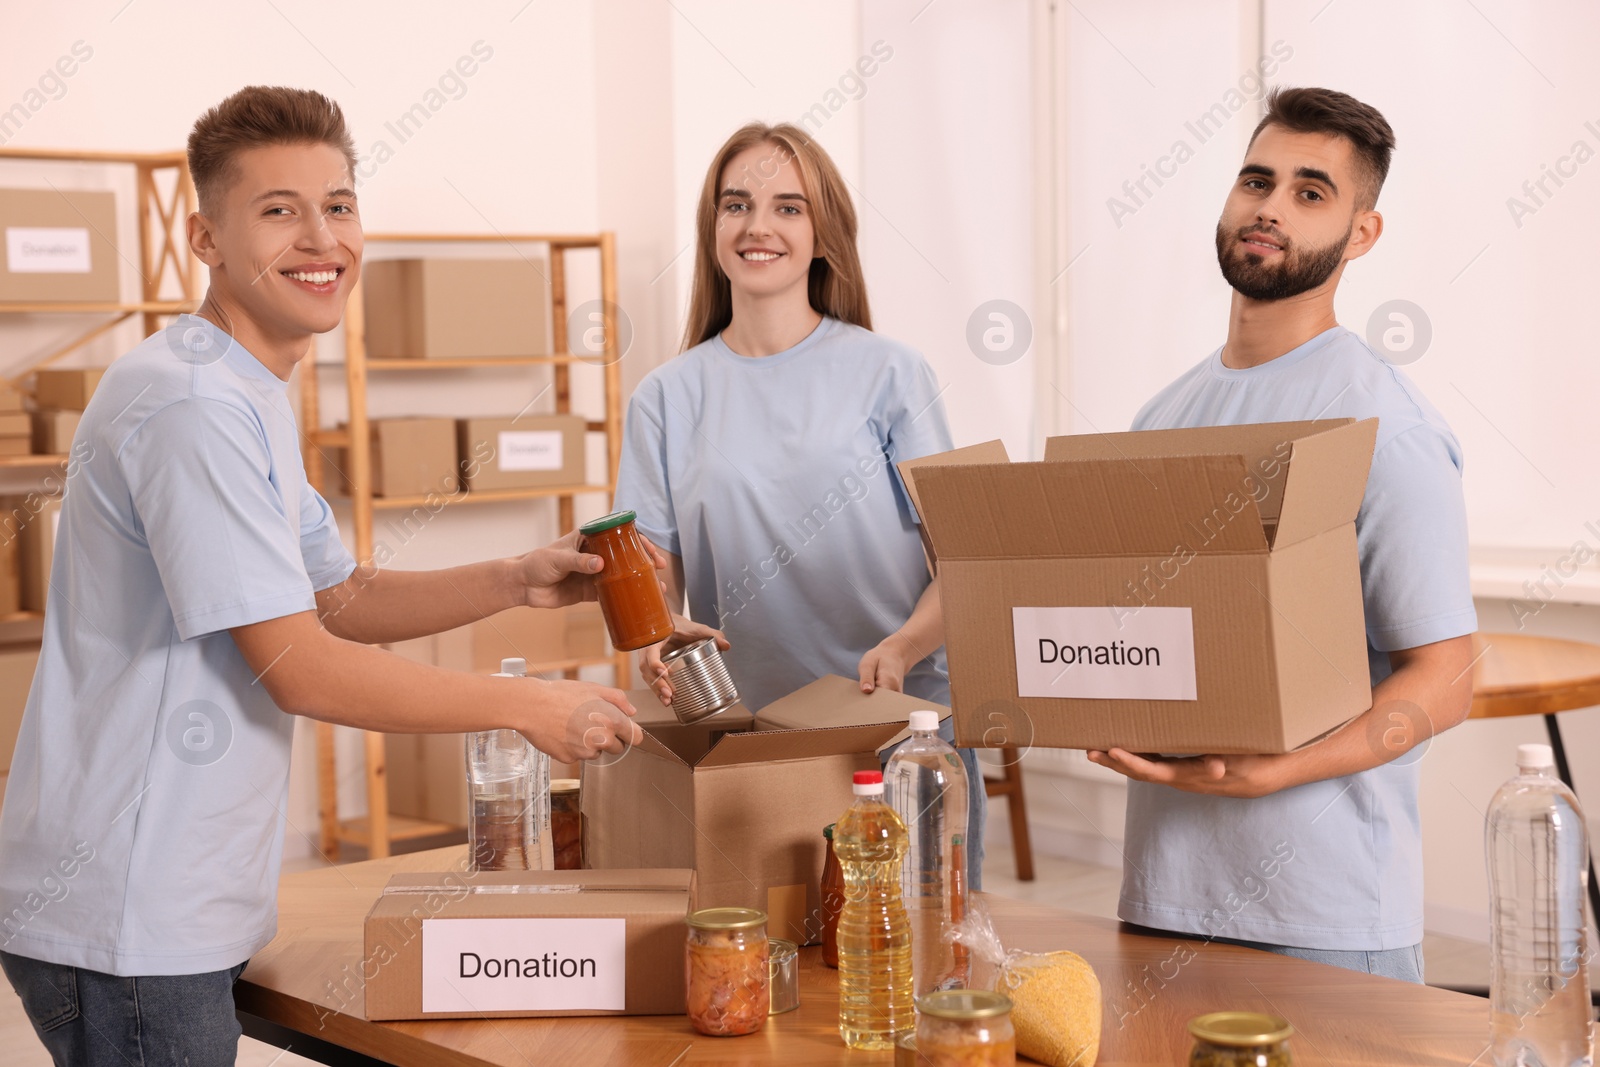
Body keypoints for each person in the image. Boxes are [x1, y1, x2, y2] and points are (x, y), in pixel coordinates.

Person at [0, 86, 640, 1066]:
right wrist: (522, 705)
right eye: (278, 210)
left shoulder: (242, 387)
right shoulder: (191, 408)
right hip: (129, 904)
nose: (321, 237)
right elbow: (297, 663)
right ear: (206, 237)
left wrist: (516, 575)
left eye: (338, 204)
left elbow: (335, 597)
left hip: (167, 890)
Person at [1088, 87, 1477, 982]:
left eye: (1311, 192)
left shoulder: (1387, 426)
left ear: (1362, 234)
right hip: (1161, 895)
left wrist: (1281, 769)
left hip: (1326, 913)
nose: (1269, 206)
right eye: (1256, 181)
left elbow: (1445, 677)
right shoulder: (1160, 418)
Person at [613, 122, 985, 883]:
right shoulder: (665, 397)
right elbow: (651, 576)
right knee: (773, 969)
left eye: (788, 207)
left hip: (895, 732)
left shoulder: (891, 375)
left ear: (823, 235)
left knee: (918, 964)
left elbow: (970, 560)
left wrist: (905, 646)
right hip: (749, 742)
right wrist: (654, 636)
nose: (757, 226)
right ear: (712, 228)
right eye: (736, 205)